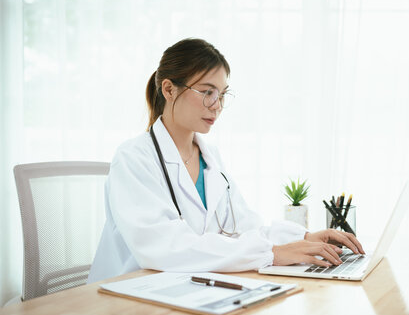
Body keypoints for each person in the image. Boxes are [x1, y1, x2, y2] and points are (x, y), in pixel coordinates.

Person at [88, 38, 364, 283]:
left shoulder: (210, 159)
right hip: (132, 294)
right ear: (169, 90)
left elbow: (244, 227)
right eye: (207, 92)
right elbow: (163, 248)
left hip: (190, 287)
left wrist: (303, 238)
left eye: (221, 94)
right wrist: (272, 254)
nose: (217, 105)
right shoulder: (134, 158)